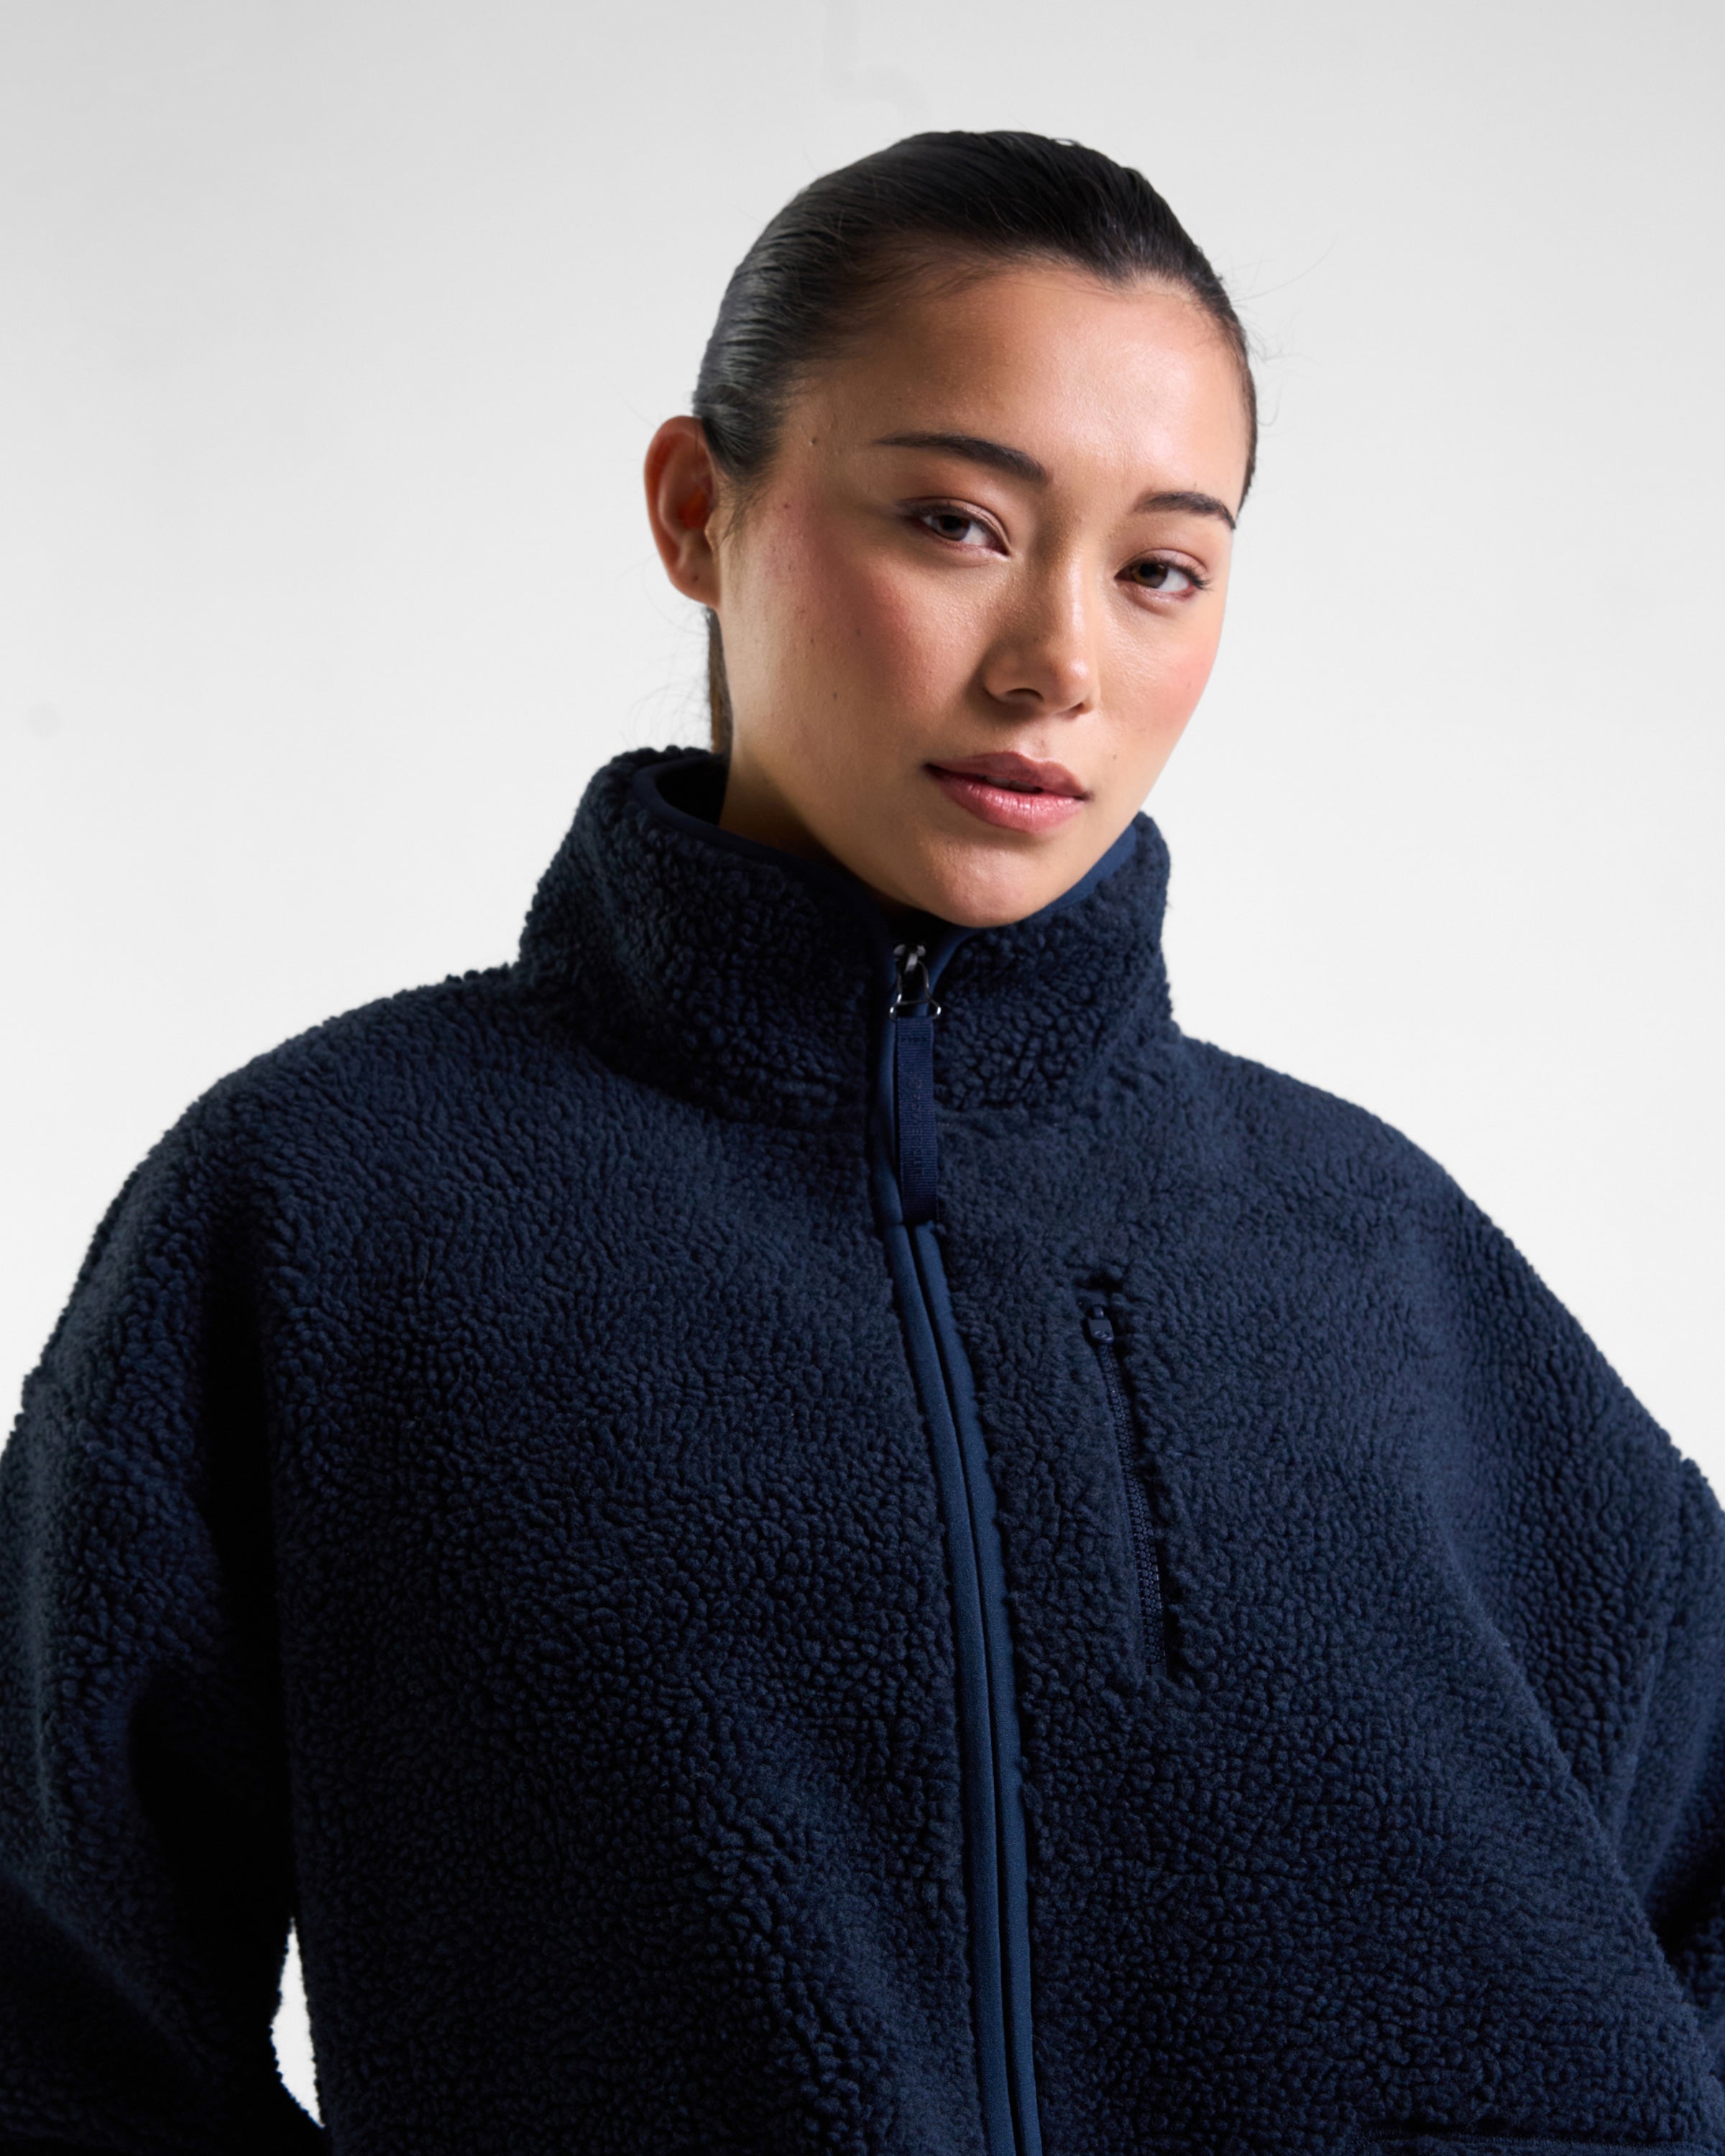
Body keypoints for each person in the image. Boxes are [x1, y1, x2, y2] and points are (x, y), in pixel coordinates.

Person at [1, 129, 1721, 2156]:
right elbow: (53, 1999)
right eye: (957, 523)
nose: (1059, 663)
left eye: (1160, 569)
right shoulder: (330, 1208)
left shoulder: (1372, 1251)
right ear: (696, 508)